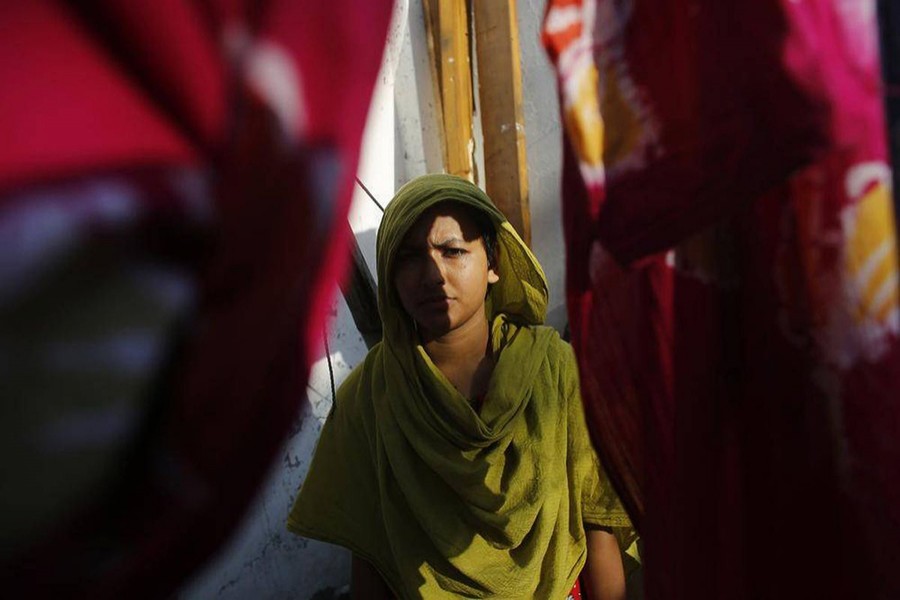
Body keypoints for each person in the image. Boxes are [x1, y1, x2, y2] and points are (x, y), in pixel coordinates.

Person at [288, 174, 636, 599]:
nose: (434, 274)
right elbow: (372, 554)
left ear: (492, 265)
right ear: (390, 277)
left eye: (453, 251)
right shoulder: (371, 399)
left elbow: (597, 521)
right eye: (410, 257)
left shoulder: (554, 371)